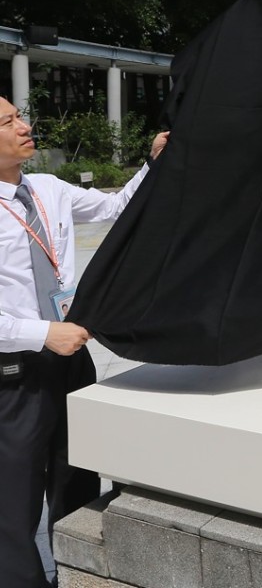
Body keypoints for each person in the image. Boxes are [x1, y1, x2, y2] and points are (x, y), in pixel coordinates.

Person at [0, 97, 169, 587]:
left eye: (20, 116)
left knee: (77, 482)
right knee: (14, 505)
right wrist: (42, 332)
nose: (26, 126)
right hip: (16, 376)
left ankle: (75, 577)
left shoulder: (48, 189)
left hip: (73, 363)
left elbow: (115, 207)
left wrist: (151, 162)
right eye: (9, 122)